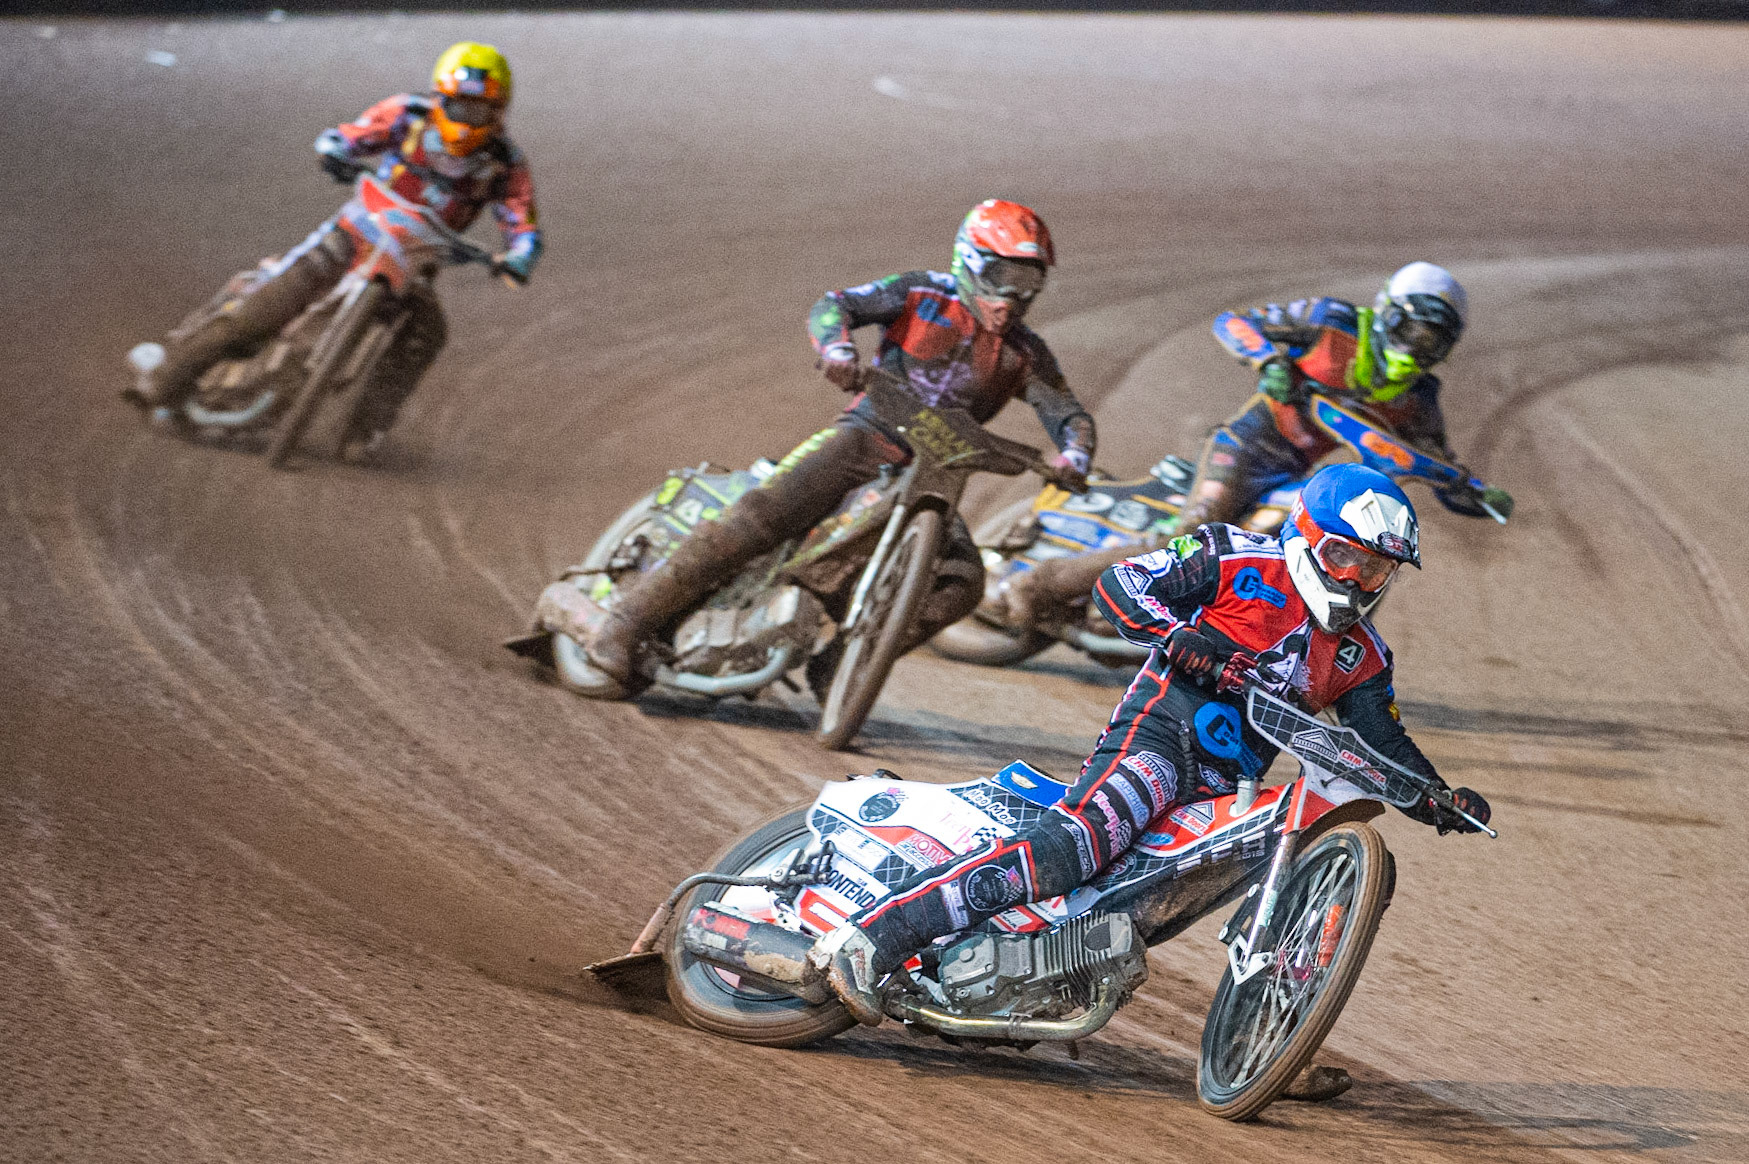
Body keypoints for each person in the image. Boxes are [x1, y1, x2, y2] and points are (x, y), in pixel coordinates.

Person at [813, 463, 1491, 1025]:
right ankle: (876, 938)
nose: (1353, 580)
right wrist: (1177, 636)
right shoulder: (1234, 555)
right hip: (1158, 744)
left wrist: (1436, 798)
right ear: (1308, 537)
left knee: (1174, 903)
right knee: (1077, 847)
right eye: (1344, 556)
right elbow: (1121, 585)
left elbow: (1382, 740)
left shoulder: (1362, 656)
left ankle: (1277, 1031)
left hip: (1230, 789)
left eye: (1374, 571)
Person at [576, 199, 1097, 699]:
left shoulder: (1027, 353)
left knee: (962, 583)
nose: (1011, 295)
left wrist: (1074, 455)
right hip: (864, 438)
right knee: (762, 515)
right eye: (1002, 276)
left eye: (1027, 282)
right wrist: (837, 348)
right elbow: (836, 306)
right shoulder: (921, 293)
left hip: (934, 476)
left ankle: (841, 666)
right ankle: (625, 623)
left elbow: (1068, 415)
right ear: (970, 262)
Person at [996, 262, 1512, 626]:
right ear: (1386, 311)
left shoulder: (1420, 398)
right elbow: (1234, 322)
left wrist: (1471, 492)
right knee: (1186, 542)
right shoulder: (1331, 320)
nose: (1415, 346)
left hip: (1302, 479)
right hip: (1244, 448)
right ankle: (1037, 583)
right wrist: (1268, 361)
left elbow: (1433, 460)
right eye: (1410, 328)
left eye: (1431, 340)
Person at [124, 42, 542, 457]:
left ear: (498, 112)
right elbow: (352, 135)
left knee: (427, 334)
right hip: (357, 232)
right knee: (266, 304)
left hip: (416, 264)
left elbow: (521, 220)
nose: (468, 121)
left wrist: (519, 256)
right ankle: (162, 382)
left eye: (481, 111)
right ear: (440, 99)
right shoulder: (407, 115)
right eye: (460, 108)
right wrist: (335, 149)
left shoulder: (505, 164)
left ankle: (364, 430)